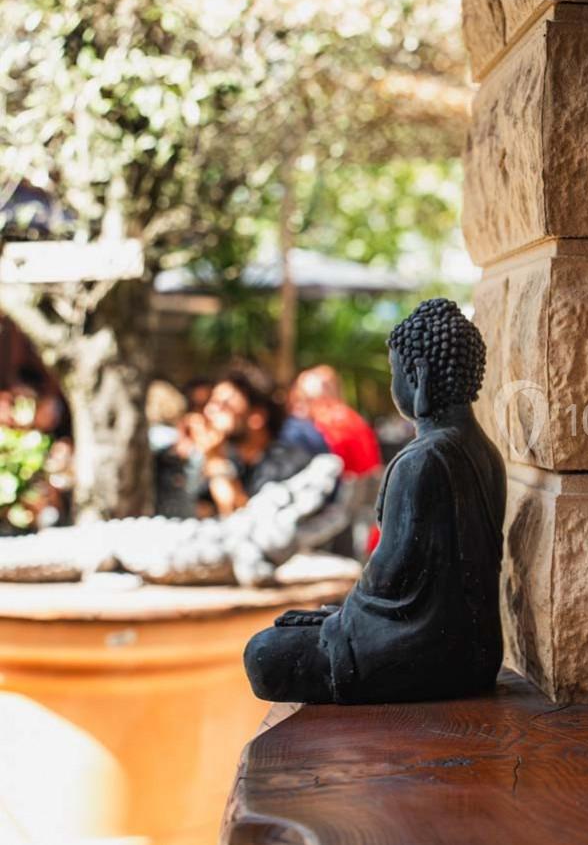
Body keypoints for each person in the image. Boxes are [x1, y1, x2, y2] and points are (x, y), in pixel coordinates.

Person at [244, 299, 506, 703]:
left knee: (264, 653)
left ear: (417, 377)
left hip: (430, 650)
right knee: (303, 625)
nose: (393, 385)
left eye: (394, 373)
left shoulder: (422, 460)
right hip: (480, 647)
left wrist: (339, 622)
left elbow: (390, 578)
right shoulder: (487, 453)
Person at [191, 372, 314, 517]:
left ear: (256, 417)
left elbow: (251, 526)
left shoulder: (287, 466)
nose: (209, 411)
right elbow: (203, 514)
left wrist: (216, 461)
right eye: (211, 403)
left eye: (224, 405)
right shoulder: (232, 459)